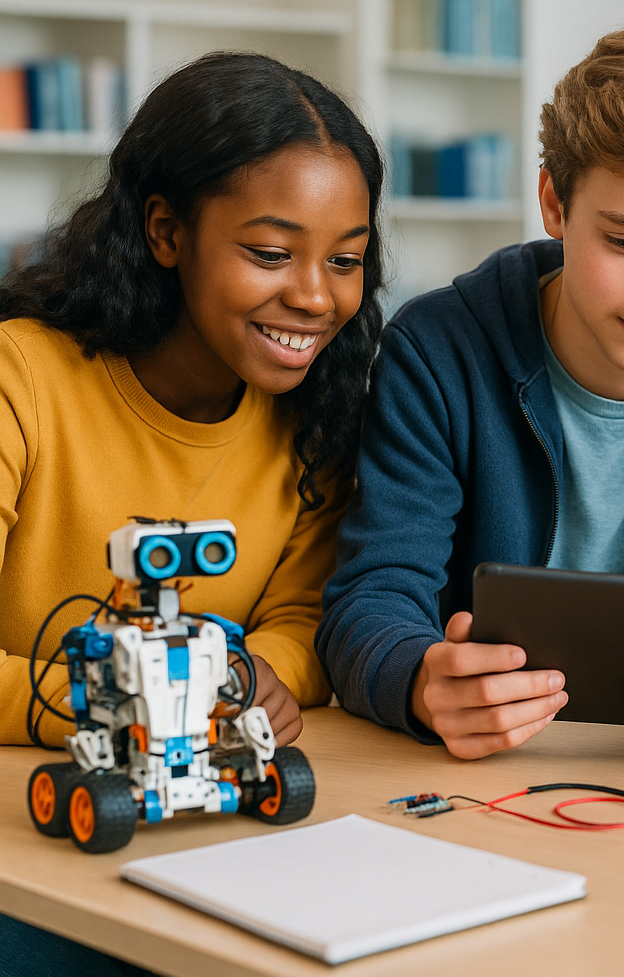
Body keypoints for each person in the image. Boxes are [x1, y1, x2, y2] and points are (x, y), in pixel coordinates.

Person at [318, 19, 624, 762]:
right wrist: (422, 682)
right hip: (480, 771)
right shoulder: (436, 346)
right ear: (554, 202)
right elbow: (374, 594)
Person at [0, 51, 384, 975]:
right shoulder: (23, 381)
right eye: (268, 253)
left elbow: (302, 617)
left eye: (345, 261)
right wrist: (117, 709)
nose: (315, 296)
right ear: (166, 231)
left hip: (206, 838)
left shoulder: (316, 417)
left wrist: (255, 677)